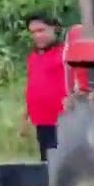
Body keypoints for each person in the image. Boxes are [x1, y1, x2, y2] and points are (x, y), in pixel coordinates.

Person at [24, 14, 69, 162]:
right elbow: (31, 87)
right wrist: (25, 117)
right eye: (33, 32)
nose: (37, 35)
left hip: (62, 121)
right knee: (47, 163)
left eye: (41, 30)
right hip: (42, 121)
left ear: (54, 28)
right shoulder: (32, 57)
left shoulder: (66, 53)